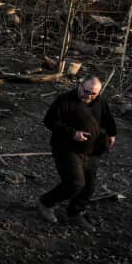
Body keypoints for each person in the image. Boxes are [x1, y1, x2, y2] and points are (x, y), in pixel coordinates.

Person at [38, 76, 118, 230]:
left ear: (98, 93)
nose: (87, 95)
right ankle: (46, 202)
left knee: (89, 186)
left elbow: (108, 118)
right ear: (80, 86)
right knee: (75, 183)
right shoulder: (64, 100)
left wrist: (112, 134)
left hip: (92, 150)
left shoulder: (100, 101)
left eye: (92, 94)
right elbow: (49, 121)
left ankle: (74, 213)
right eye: (85, 91)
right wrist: (72, 133)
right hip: (66, 148)